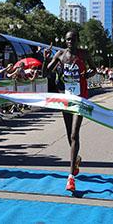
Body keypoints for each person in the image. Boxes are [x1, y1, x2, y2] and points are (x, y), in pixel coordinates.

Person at [43, 31, 97, 192]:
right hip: (66, 99)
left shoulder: (83, 54)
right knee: (69, 136)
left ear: (77, 40)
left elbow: (94, 69)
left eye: (73, 39)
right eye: (67, 39)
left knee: (74, 134)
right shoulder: (60, 55)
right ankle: (77, 158)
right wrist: (46, 58)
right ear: (65, 41)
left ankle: (71, 177)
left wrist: (88, 74)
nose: (70, 42)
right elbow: (45, 73)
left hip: (80, 98)